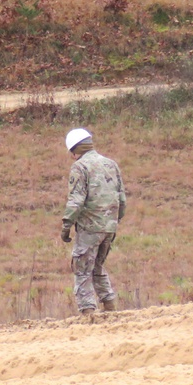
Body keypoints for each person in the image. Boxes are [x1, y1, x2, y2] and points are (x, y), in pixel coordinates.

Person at [61, 128, 126, 316]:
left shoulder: (80, 167)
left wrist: (66, 225)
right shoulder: (111, 164)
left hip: (90, 228)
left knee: (82, 270)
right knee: (98, 267)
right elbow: (122, 199)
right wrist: (114, 221)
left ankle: (88, 313)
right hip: (109, 227)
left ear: (74, 151)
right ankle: (110, 307)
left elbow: (76, 200)